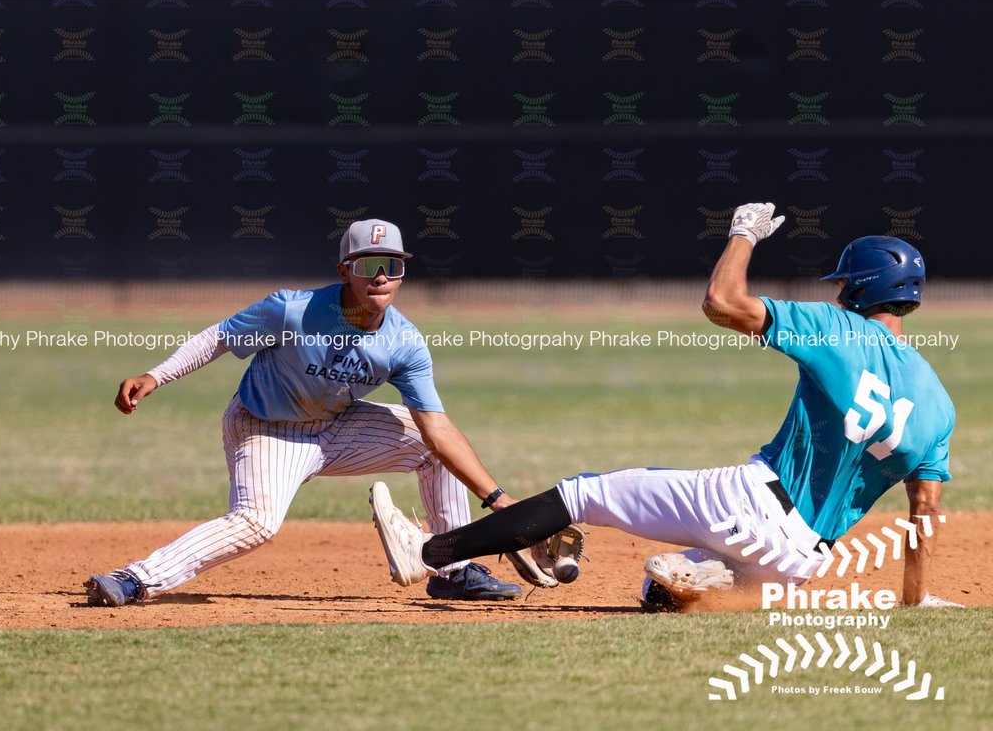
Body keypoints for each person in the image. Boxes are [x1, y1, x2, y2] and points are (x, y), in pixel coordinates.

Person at [370, 203, 963, 610]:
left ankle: (429, 555)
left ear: (857, 288)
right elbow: (925, 511)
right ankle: (699, 578)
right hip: (797, 564)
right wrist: (914, 600)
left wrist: (744, 233)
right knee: (664, 591)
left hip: (749, 504)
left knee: (583, 494)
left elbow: (721, 302)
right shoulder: (939, 403)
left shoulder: (835, 328)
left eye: (842, 283)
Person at [85, 218, 522, 606]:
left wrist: (501, 503)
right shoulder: (292, 311)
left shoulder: (404, 342)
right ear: (344, 271)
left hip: (337, 425)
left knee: (436, 449)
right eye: (368, 264)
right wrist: (157, 375)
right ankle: (136, 579)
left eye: (393, 265)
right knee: (257, 523)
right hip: (265, 427)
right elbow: (219, 337)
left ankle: (453, 570)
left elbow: (438, 430)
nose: (381, 276)